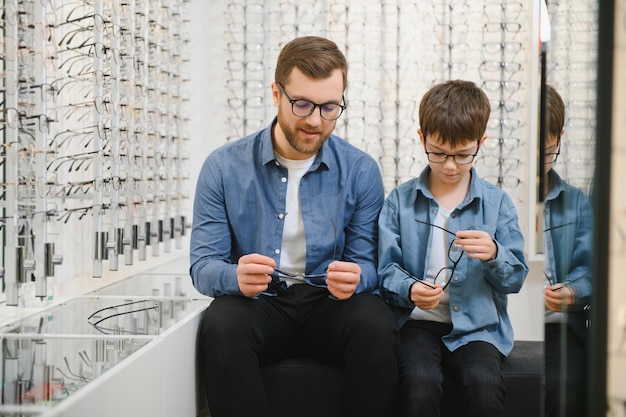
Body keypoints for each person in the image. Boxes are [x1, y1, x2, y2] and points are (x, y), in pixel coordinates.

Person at [190, 36, 398, 417]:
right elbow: (202, 265)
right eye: (302, 104)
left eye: (330, 107)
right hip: (260, 306)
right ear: (276, 93)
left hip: (330, 308)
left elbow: (371, 266)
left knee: (376, 321)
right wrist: (234, 276)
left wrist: (358, 277)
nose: (315, 120)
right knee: (221, 321)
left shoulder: (361, 170)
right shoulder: (222, 167)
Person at [378, 79, 529, 417]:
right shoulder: (400, 202)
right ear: (422, 139)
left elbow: (515, 279)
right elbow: (385, 271)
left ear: (481, 143)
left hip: (479, 327)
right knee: (419, 385)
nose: (449, 165)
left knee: (484, 387)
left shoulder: (497, 203)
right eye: (439, 153)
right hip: (416, 323)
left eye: (462, 155)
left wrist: (493, 254)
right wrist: (411, 289)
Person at [542, 84, 593, 417]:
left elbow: (593, 271)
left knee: (566, 385)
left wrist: (571, 292)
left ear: (559, 140)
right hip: (496, 325)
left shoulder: (577, 203)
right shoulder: (491, 198)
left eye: (546, 153)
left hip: (560, 325)